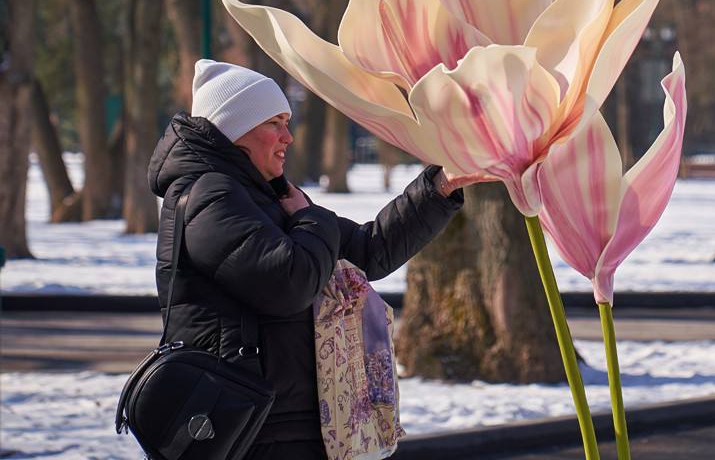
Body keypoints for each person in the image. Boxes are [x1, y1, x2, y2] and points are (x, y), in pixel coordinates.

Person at [149, 60, 484, 459]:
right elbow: (289, 283)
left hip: (281, 421)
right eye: (274, 122)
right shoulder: (210, 195)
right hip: (252, 430)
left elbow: (367, 251)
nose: (288, 137)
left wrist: (441, 185)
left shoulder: (264, 197)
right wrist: (309, 217)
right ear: (236, 130)